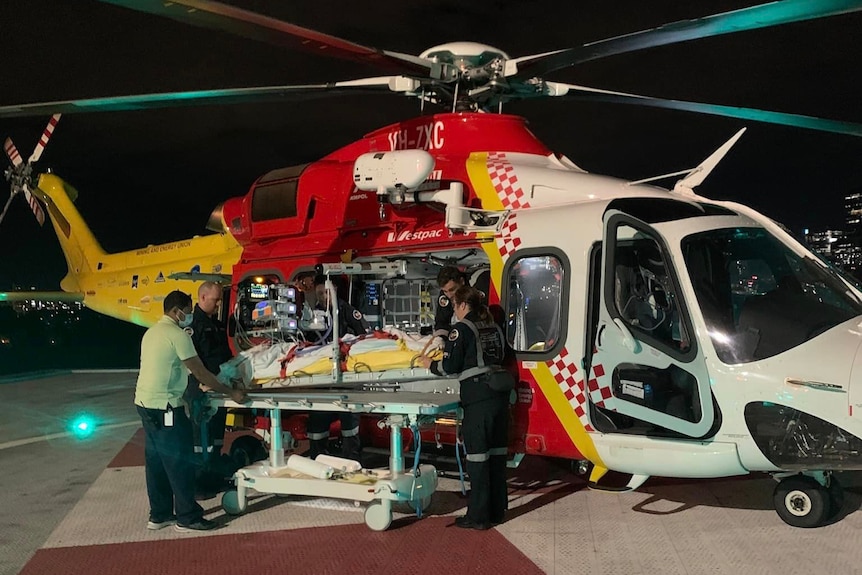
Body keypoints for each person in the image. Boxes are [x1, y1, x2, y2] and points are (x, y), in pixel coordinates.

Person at [134, 290, 246, 532]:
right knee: (179, 462)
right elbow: (200, 371)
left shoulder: (151, 333)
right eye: (186, 309)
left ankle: (160, 515)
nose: (188, 314)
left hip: (143, 404)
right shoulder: (178, 335)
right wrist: (231, 392)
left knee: (155, 463)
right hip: (166, 407)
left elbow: (166, 367)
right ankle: (188, 517)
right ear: (177, 311)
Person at [419, 286, 510, 530]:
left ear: (461, 306)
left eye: (455, 307)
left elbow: (450, 366)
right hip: (500, 397)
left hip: (479, 400)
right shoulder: (494, 328)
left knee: (478, 459)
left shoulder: (461, 330)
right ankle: (497, 510)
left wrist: (430, 364)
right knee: (497, 457)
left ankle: (478, 517)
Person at [305, 275, 371, 462]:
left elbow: (365, 336)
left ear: (333, 290)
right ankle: (318, 461)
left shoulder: (347, 311)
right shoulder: (314, 316)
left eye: (326, 292)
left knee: (350, 424)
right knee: (317, 424)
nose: (323, 297)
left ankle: (352, 461)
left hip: (346, 379)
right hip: (321, 380)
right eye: (319, 294)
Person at [184, 281, 233, 497]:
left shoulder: (216, 324)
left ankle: (214, 477)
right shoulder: (193, 327)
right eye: (215, 300)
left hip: (218, 387)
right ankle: (198, 483)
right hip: (201, 391)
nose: (218, 304)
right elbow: (192, 363)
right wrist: (202, 385)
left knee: (216, 438)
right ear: (203, 298)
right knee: (201, 441)